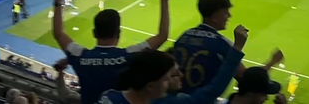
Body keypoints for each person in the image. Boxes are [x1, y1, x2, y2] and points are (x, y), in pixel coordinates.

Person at [53, 0, 173, 104]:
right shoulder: (129, 56)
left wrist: (58, 1)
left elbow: (58, 33)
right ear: (119, 33)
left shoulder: (79, 56)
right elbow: (162, 36)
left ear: (94, 33)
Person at [173, 0, 283, 95]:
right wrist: (272, 62)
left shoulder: (183, 36)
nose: (229, 16)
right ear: (215, 16)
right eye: (226, 12)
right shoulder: (221, 44)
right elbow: (247, 80)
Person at [102, 26, 249, 104]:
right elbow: (212, 90)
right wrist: (236, 49)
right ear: (151, 86)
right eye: (171, 76)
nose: (182, 76)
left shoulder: (109, 96)